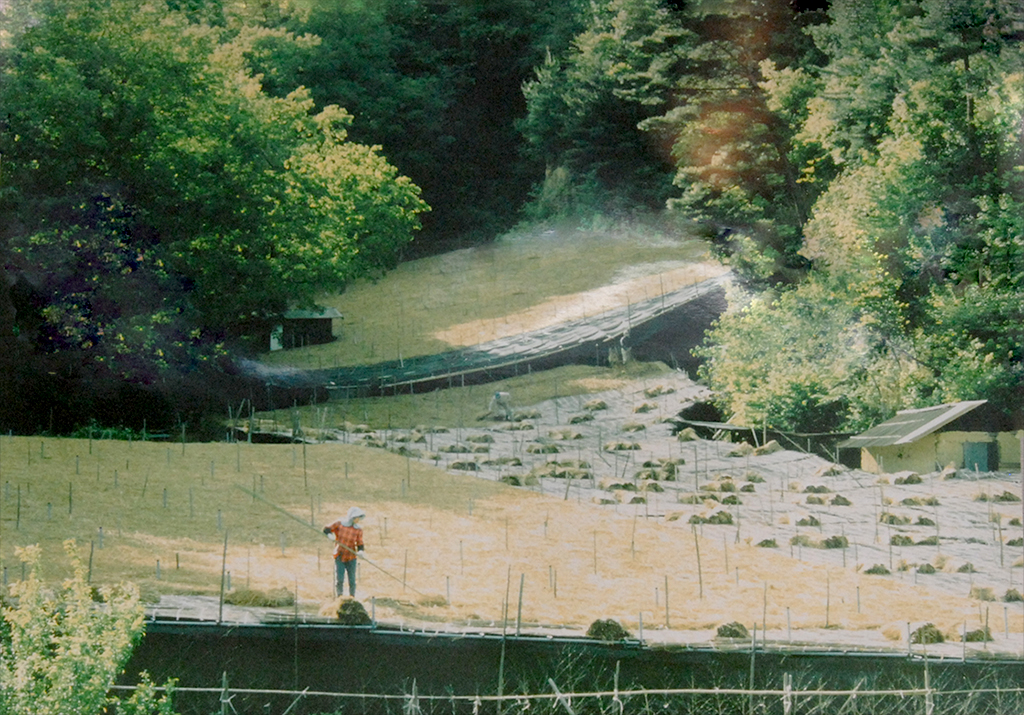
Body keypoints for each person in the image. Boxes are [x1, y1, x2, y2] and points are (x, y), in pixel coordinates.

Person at [323, 506, 365, 598]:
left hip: (351, 557)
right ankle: (339, 597)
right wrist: (330, 535)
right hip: (340, 555)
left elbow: (360, 543)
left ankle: (352, 597)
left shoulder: (358, 530)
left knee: (352, 580)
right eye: (357, 517)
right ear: (352, 517)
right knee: (340, 579)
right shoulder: (340, 524)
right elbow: (326, 529)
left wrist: (361, 551)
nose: (358, 519)